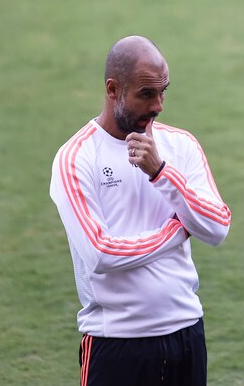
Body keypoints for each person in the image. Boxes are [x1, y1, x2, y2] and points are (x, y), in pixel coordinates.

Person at [49, 35, 231, 386]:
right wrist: (176, 230)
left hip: (187, 334)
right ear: (113, 89)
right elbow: (101, 252)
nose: (159, 105)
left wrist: (162, 174)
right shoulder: (75, 158)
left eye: (163, 91)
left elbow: (217, 226)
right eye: (147, 94)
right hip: (116, 345)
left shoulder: (181, 146)